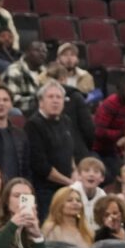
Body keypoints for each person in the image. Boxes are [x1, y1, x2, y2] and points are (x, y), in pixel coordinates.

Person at [26, 82, 85, 213]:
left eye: (59, 97)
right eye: (51, 97)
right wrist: (69, 182)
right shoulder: (33, 125)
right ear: (41, 102)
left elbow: (70, 152)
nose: (55, 101)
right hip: (44, 190)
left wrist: (74, 172)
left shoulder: (66, 121)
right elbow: (41, 166)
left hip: (65, 186)